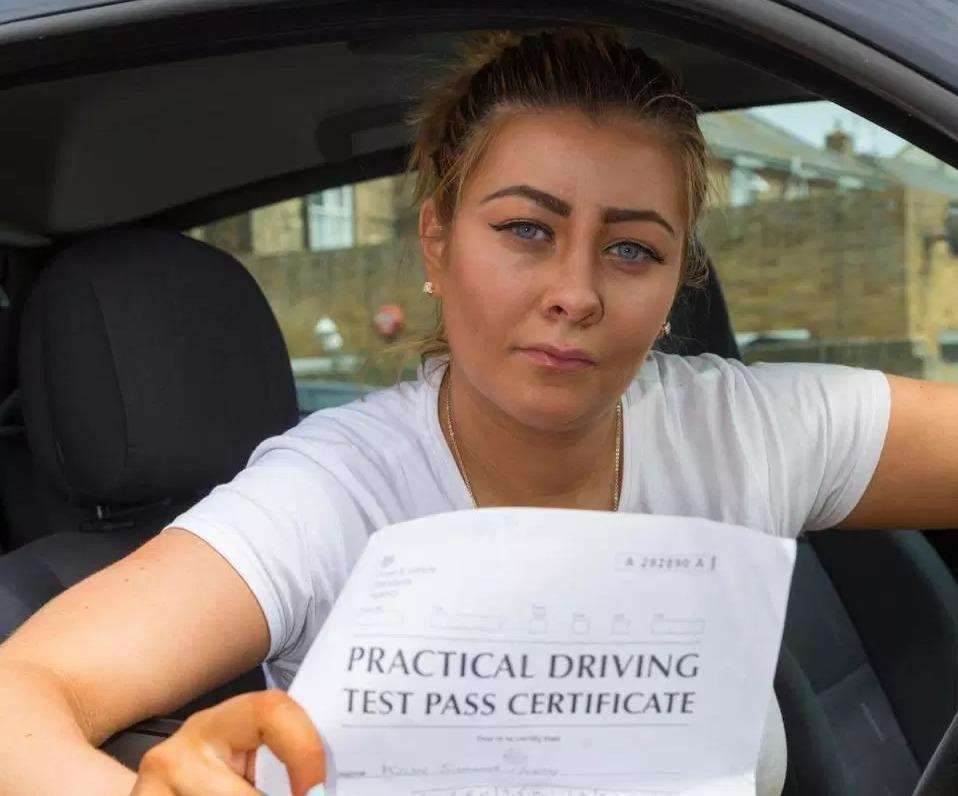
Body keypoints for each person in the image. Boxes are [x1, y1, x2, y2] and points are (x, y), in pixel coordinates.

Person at [0, 26, 956, 796]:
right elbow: (18, 695)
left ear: (678, 284)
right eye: (526, 230)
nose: (575, 291)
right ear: (437, 241)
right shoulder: (337, 491)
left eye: (631, 249)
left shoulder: (739, 434)